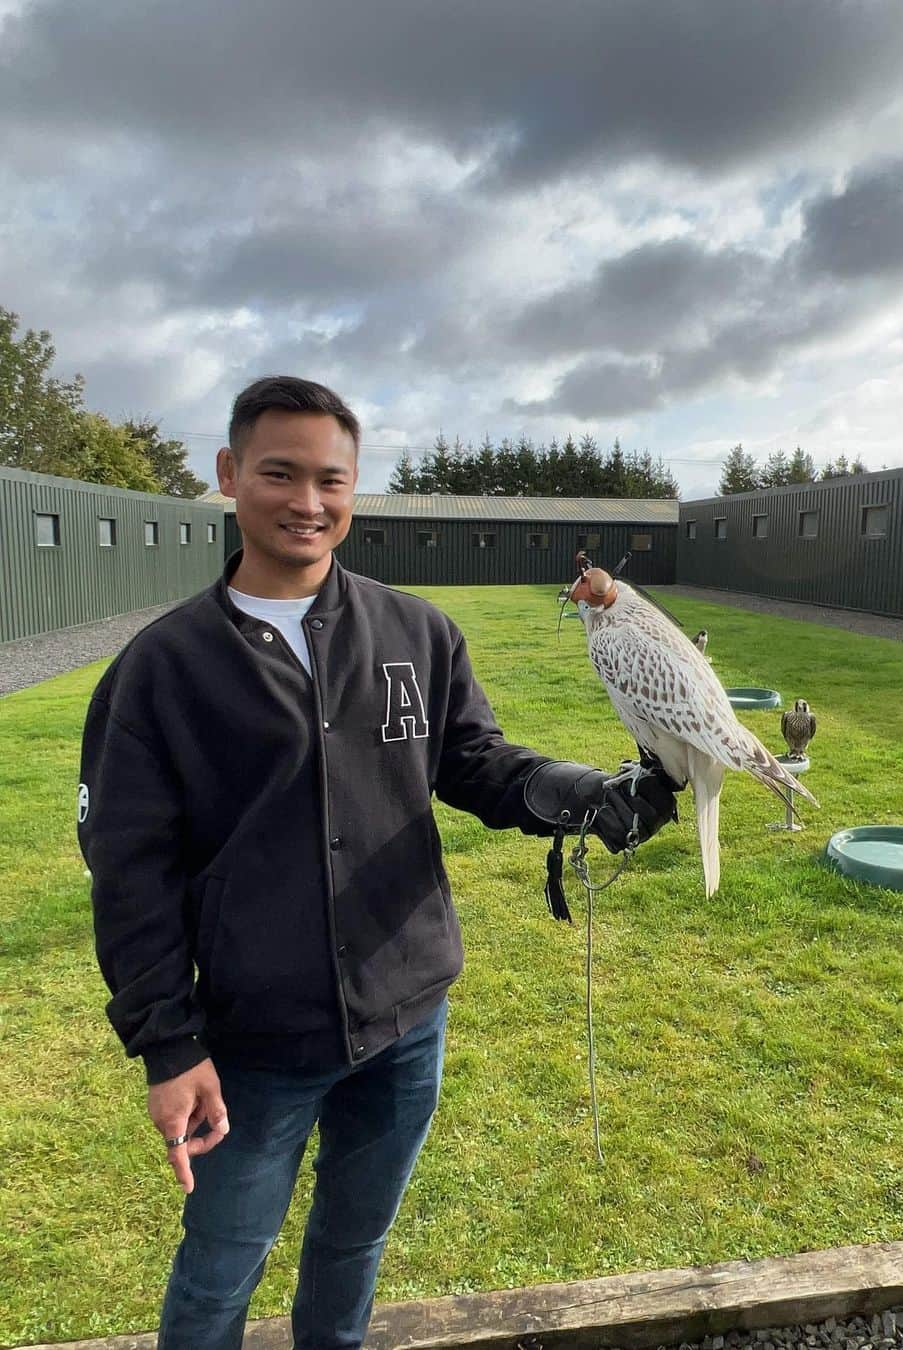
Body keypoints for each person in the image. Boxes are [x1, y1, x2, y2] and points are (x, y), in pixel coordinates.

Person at [77, 376, 677, 1350]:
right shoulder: (164, 667)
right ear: (230, 475)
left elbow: (478, 765)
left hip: (406, 1029)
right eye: (280, 473)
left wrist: (589, 797)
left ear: (354, 490)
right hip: (253, 1046)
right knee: (221, 1267)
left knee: (354, 1246)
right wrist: (168, 1044)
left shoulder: (416, 634)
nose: (307, 501)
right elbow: (128, 869)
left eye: (331, 479)